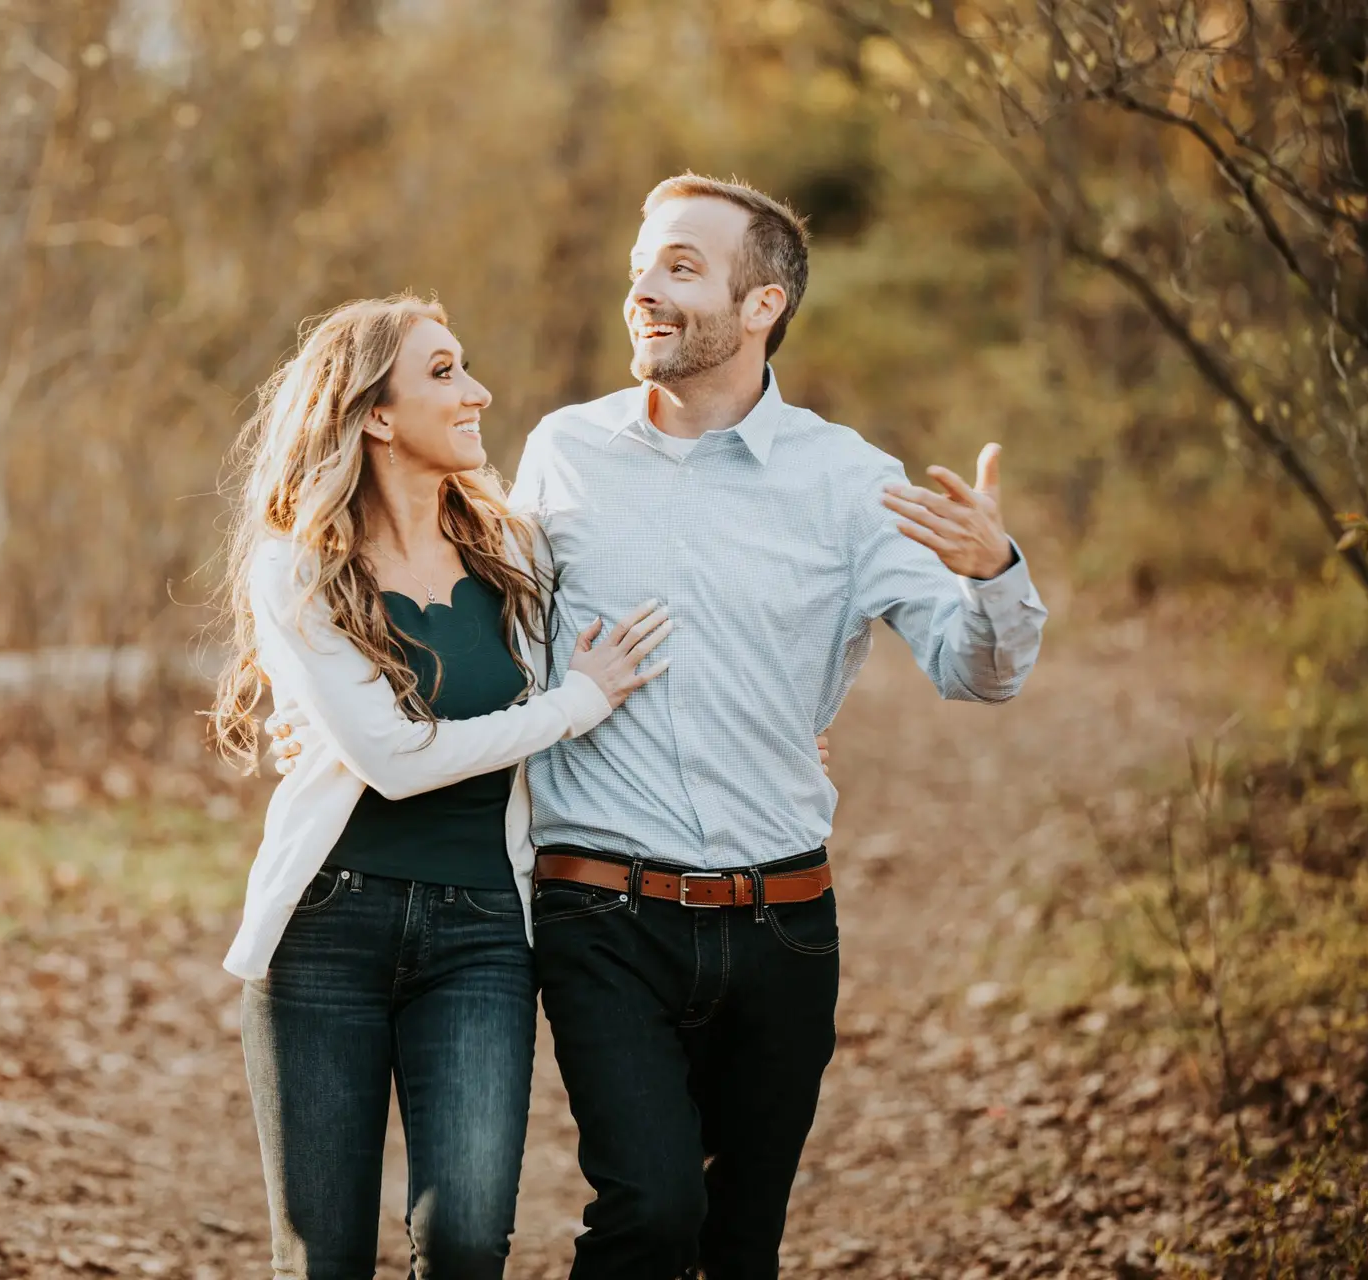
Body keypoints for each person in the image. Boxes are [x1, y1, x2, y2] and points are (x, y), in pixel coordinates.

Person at [275, 173, 1048, 1278]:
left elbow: (979, 670)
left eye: (680, 265)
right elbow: (494, 635)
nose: (642, 287)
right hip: (602, 911)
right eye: (641, 263)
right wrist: (329, 699)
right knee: (647, 1214)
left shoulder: (847, 481)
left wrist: (996, 575)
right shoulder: (563, 452)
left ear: (762, 304)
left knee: (741, 1241)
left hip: (784, 923)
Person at [206, 295, 674, 1280]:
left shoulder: (516, 554)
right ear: (375, 413)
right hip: (327, 924)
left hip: (482, 931)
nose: (479, 392)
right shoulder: (297, 566)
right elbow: (395, 759)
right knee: (325, 1256)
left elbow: (658, 596)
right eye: (446, 371)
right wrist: (573, 704)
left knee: (466, 1240)